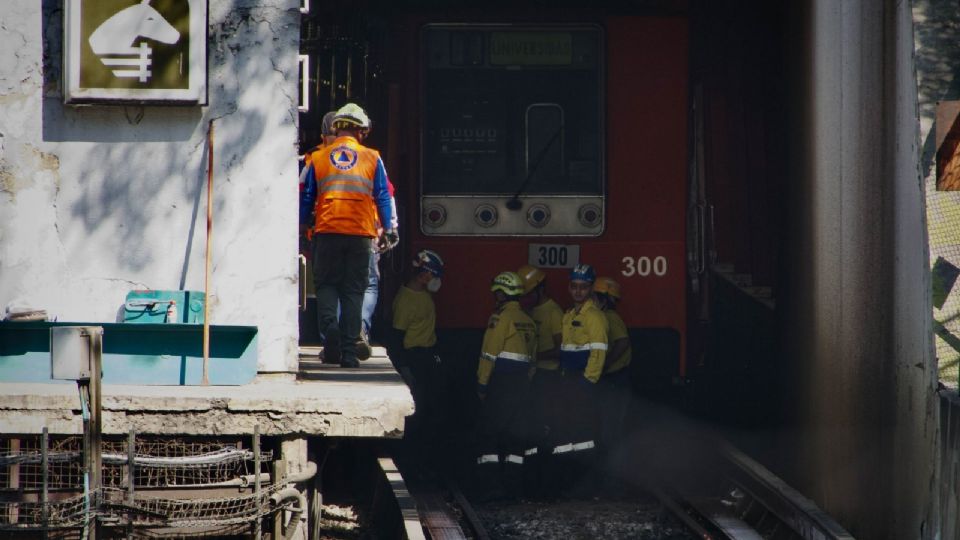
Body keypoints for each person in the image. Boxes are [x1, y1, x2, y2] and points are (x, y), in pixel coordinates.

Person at [300, 103, 398, 367]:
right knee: (354, 291)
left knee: (327, 286)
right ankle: (349, 352)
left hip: (327, 232)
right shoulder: (372, 157)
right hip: (360, 235)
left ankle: (330, 329)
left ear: (337, 127)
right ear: (360, 131)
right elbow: (382, 196)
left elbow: (307, 196)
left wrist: (300, 226)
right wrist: (388, 228)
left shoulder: (318, 158)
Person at [475, 271, 538, 490]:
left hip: (501, 383)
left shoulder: (500, 319)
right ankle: (514, 486)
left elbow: (488, 355)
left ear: (501, 294)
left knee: (490, 433)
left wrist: (482, 385)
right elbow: (533, 360)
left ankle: (489, 486)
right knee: (515, 436)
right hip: (522, 384)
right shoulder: (528, 320)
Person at [555, 264, 608, 492]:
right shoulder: (569, 316)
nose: (578, 291)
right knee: (570, 430)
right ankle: (570, 478)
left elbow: (599, 352)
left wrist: (588, 381)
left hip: (583, 381)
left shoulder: (594, 317)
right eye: (574, 286)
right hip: (569, 380)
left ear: (590, 288)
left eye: (583, 287)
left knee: (585, 432)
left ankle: (588, 482)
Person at [517, 264, 564, 494]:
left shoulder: (553, 312)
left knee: (545, 427)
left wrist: (535, 357)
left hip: (547, 375)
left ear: (539, 290)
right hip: (533, 375)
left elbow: (560, 348)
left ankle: (547, 480)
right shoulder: (530, 311)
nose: (524, 298)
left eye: (527, 293)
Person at [389, 249, 445, 440]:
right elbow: (397, 337)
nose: (436, 279)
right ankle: (413, 446)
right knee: (417, 407)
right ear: (425, 274)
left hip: (428, 355)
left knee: (431, 404)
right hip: (415, 358)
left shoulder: (423, 294)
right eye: (434, 274)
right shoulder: (406, 300)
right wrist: (404, 368)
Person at [593, 276, 632, 454]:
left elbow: (623, 342)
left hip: (615, 377)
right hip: (615, 377)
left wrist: (606, 364)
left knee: (610, 423)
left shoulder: (609, 317)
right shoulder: (604, 316)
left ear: (603, 299)